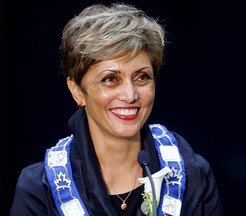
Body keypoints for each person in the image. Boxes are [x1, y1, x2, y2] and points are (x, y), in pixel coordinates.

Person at [10, 2, 223, 216]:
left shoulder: (193, 174)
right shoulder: (39, 189)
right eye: (110, 79)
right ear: (77, 90)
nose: (130, 95)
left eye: (142, 77)